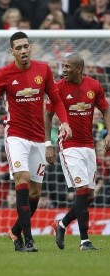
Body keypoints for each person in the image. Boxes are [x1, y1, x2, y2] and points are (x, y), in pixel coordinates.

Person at [0, 31, 72, 252]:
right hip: (15, 136)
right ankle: (28, 240)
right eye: (18, 48)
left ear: (30, 47)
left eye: (26, 46)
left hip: (38, 138)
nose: (23, 51)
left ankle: (14, 231)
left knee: (34, 194)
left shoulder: (43, 69)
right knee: (21, 180)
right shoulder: (3, 74)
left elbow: (56, 99)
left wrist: (65, 122)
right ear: (11, 51)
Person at [45, 54, 110, 251]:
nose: (63, 69)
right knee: (81, 189)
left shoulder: (94, 86)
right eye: (62, 66)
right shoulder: (58, 87)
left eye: (67, 66)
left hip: (88, 145)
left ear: (79, 69)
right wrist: (48, 144)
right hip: (69, 144)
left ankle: (62, 224)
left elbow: (105, 110)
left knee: (89, 196)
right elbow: (47, 116)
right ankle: (84, 241)